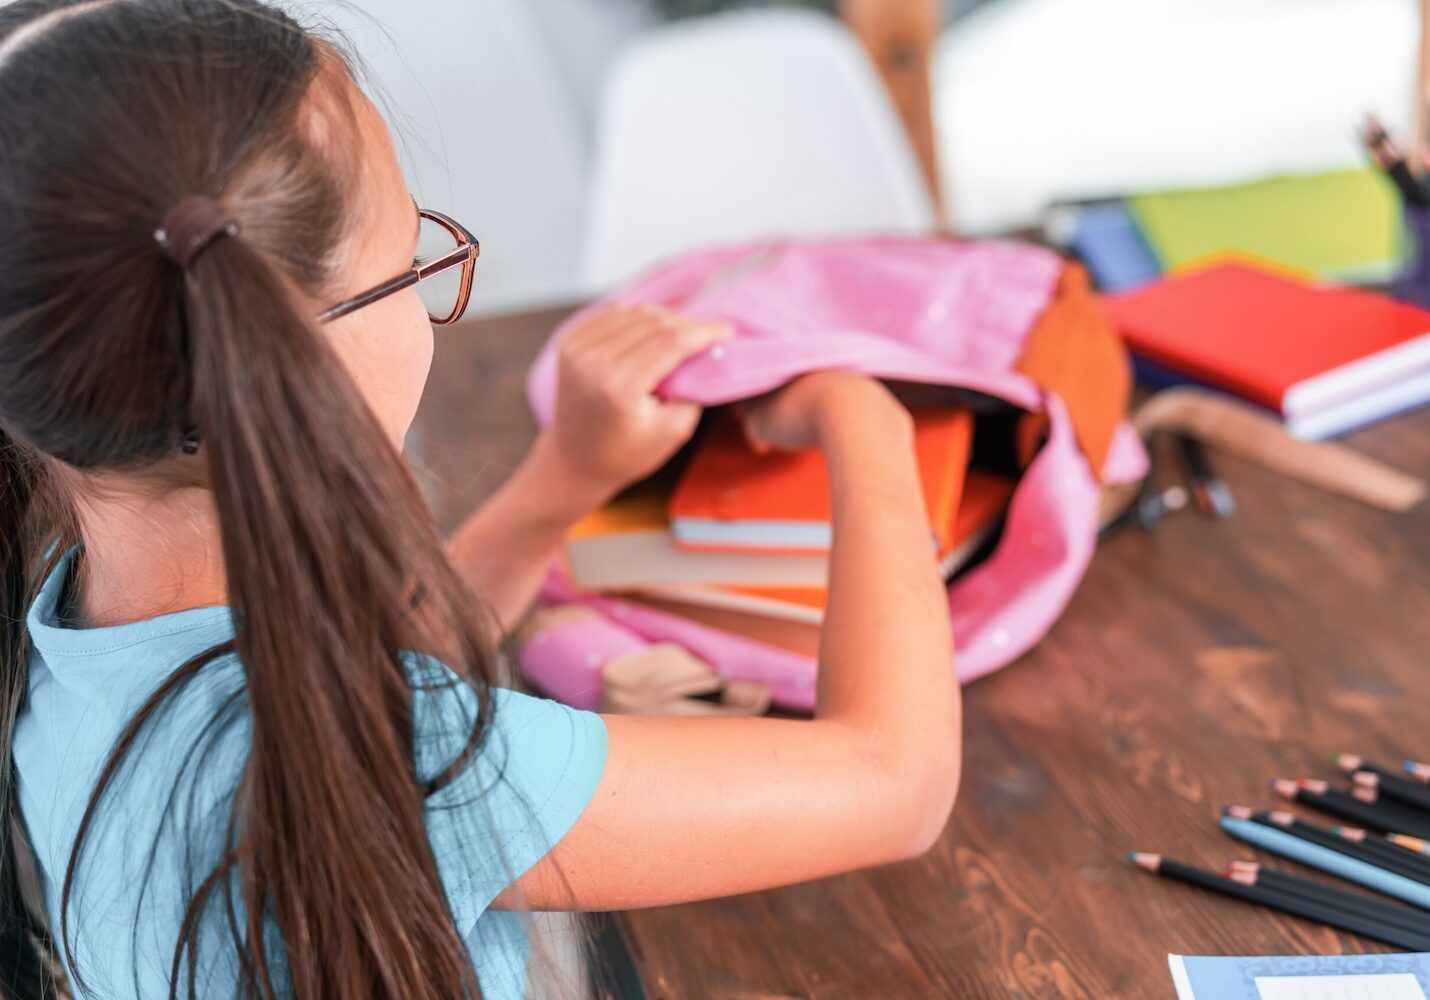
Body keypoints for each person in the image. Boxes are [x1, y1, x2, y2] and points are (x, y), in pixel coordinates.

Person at [0, 1, 961, 996]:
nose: (426, 294)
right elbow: (894, 783)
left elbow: (360, 680)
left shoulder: (67, 642)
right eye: (411, 261)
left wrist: (564, 478)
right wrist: (869, 419)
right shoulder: (409, 775)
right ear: (289, 356)